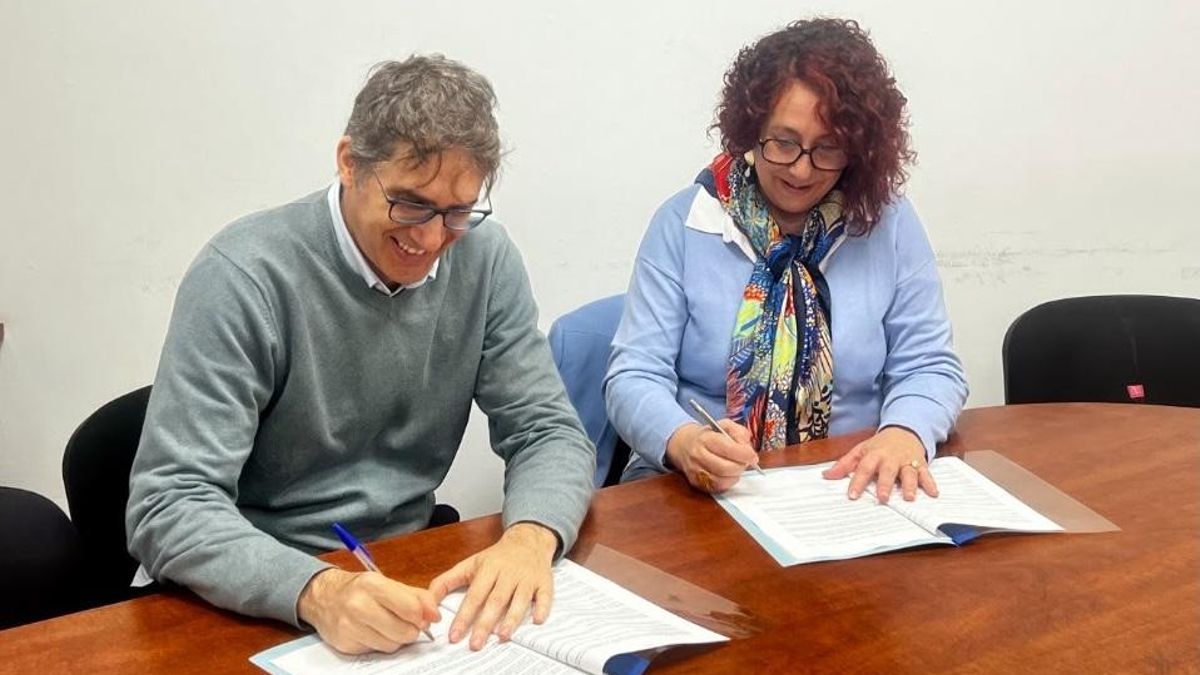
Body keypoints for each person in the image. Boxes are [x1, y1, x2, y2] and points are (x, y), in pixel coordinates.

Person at [126, 55, 596, 655]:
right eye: (410, 204)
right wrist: (319, 590)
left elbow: (547, 431)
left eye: (457, 212)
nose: (430, 238)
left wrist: (530, 538)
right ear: (350, 162)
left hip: (402, 571)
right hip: (255, 591)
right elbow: (169, 504)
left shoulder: (484, 257)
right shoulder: (244, 276)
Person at [604, 18, 967, 504]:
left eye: (828, 148)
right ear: (751, 131)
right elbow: (633, 375)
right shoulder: (685, 223)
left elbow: (929, 365)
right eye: (784, 142)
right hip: (702, 489)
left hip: (845, 484)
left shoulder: (888, 224)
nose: (801, 168)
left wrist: (905, 433)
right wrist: (684, 441)